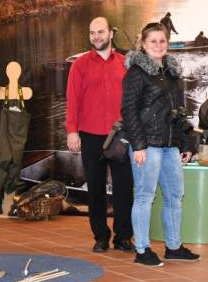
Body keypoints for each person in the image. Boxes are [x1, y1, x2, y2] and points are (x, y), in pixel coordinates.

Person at [122, 22, 200, 267]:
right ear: (143, 44)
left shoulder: (172, 73)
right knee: (144, 196)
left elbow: (178, 112)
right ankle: (142, 249)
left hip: (170, 145)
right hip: (147, 145)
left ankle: (173, 247)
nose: (158, 45)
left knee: (175, 196)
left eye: (162, 40)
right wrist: (139, 145)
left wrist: (186, 143)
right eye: (153, 41)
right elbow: (129, 111)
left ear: (167, 43)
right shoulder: (136, 73)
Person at [66, 16, 134, 253]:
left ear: (111, 34)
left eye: (101, 32)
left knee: (124, 188)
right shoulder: (80, 65)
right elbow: (73, 100)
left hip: (119, 136)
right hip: (90, 135)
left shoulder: (125, 64)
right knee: (95, 189)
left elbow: (133, 101)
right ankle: (101, 236)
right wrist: (72, 131)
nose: (96, 37)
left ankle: (123, 237)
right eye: (92, 33)